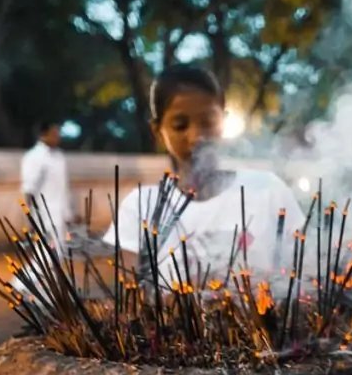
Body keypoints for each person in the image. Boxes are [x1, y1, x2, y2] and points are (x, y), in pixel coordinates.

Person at [103, 64, 304, 280]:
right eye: (180, 125)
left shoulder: (267, 191)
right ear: (158, 132)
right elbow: (129, 293)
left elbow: (302, 272)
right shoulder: (142, 206)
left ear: (223, 121)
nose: (196, 136)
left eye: (208, 122)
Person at [21, 121, 73, 230]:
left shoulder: (60, 156)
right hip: (43, 216)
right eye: (54, 134)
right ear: (43, 135)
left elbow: (63, 188)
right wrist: (29, 219)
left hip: (60, 216)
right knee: (45, 246)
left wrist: (68, 214)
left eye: (58, 133)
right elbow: (28, 189)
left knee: (60, 247)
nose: (58, 137)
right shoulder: (33, 157)